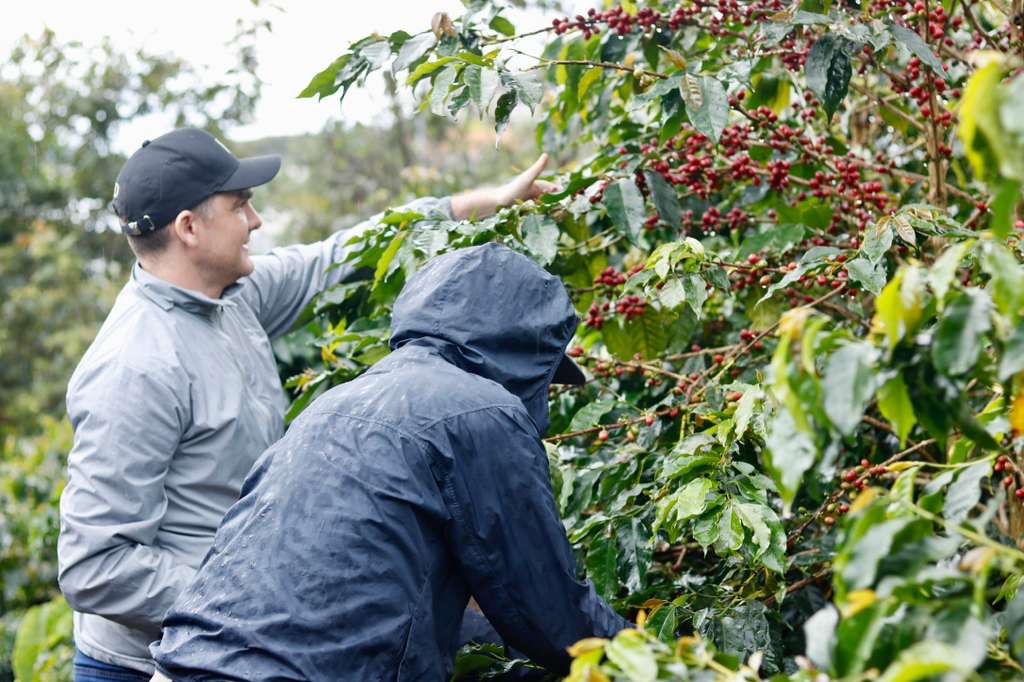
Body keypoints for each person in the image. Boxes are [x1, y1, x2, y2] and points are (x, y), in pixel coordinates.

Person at [57, 127, 557, 681]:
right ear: (189, 228)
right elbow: (95, 566)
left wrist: (470, 206)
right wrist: (256, 589)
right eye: (240, 205)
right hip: (145, 663)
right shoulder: (135, 366)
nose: (256, 221)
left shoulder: (233, 298)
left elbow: (338, 257)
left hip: (245, 635)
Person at [149, 243, 628, 681]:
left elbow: (367, 603)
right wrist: (660, 660)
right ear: (524, 352)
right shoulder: (481, 410)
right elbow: (548, 610)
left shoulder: (337, 402)